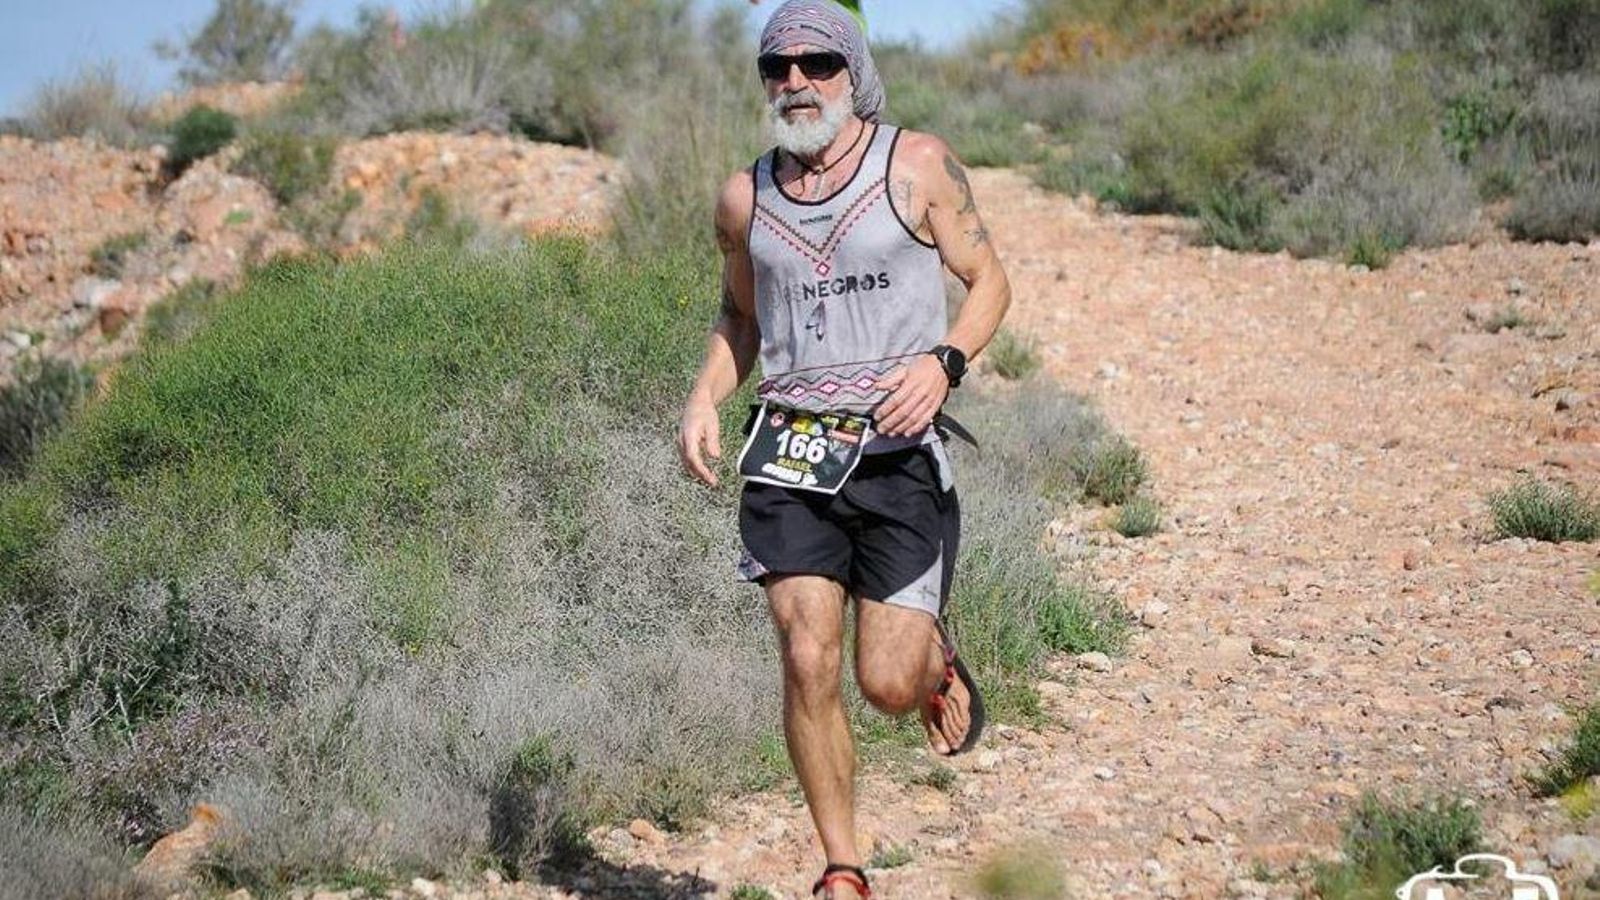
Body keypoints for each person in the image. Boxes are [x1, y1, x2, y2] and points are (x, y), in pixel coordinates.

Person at [676, 2, 1011, 897]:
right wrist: (706, 396)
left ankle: (932, 665)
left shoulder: (919, 164)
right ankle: (844, 867)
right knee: (806, 655)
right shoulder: (743, 197)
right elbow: (740, 318)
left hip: (898, 452)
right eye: (775, 67)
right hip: (789, 455)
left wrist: (944, 365)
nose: (795, 82)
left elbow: (988, 281)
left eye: (817, 63)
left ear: (851, 70)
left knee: (885, 682)